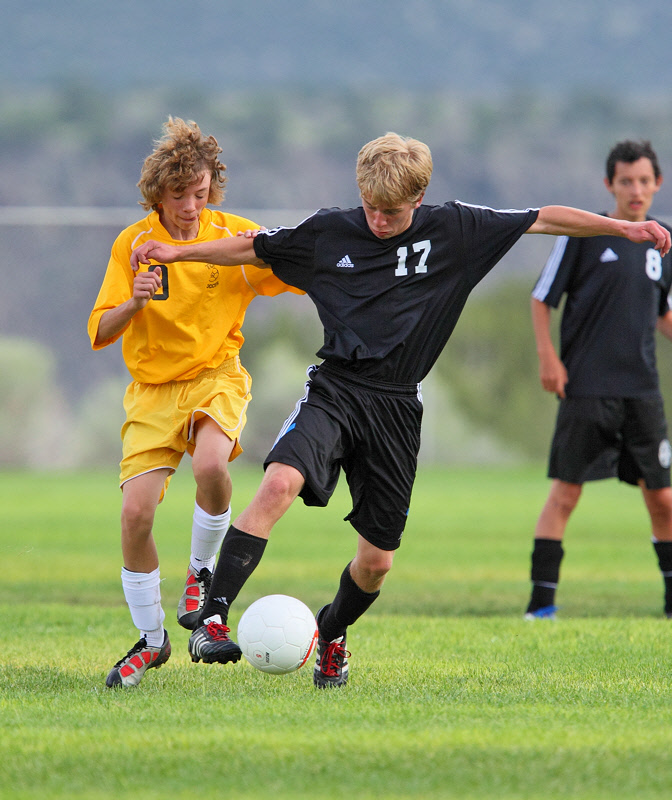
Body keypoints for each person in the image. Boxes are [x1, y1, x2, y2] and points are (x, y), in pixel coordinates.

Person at [131, 132, 671, 688]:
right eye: (370, 208)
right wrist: (178, 251)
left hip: (396, 408)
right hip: (335, 389)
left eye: (391, 213)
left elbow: (544, 218)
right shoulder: (331, 231)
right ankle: (212, 620)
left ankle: (332, 631)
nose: (378, 222)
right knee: (277, 485)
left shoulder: (458, 230)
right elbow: (252, 247)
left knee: (376, 564)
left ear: (418, 199)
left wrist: (623, 228)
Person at [87, 117, 302, 688]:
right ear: (157, 193)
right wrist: (133, 303)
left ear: (213, 189)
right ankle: (152, 640)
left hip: (216, 377)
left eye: (200, 193)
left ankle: (201, 576)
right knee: (136, 516)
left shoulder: (230, 236)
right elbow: (102, 329)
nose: (189, 205)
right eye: (178, 194)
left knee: (212, 464)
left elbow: (293, 270)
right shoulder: (132, 245)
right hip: (153, 392)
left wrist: (337, 264)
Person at [524, 140, 672, 620]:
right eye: (626, 180)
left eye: (644, 181)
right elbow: (542, 298)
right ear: (610, 184)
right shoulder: (584, 234)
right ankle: (540, 605)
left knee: (663, 498)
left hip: (643, 391)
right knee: (566, 493)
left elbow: (661, 313)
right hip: (586, 387)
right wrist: (550, 357)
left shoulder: (663, 241)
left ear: (657, 185)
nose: (635, 189)